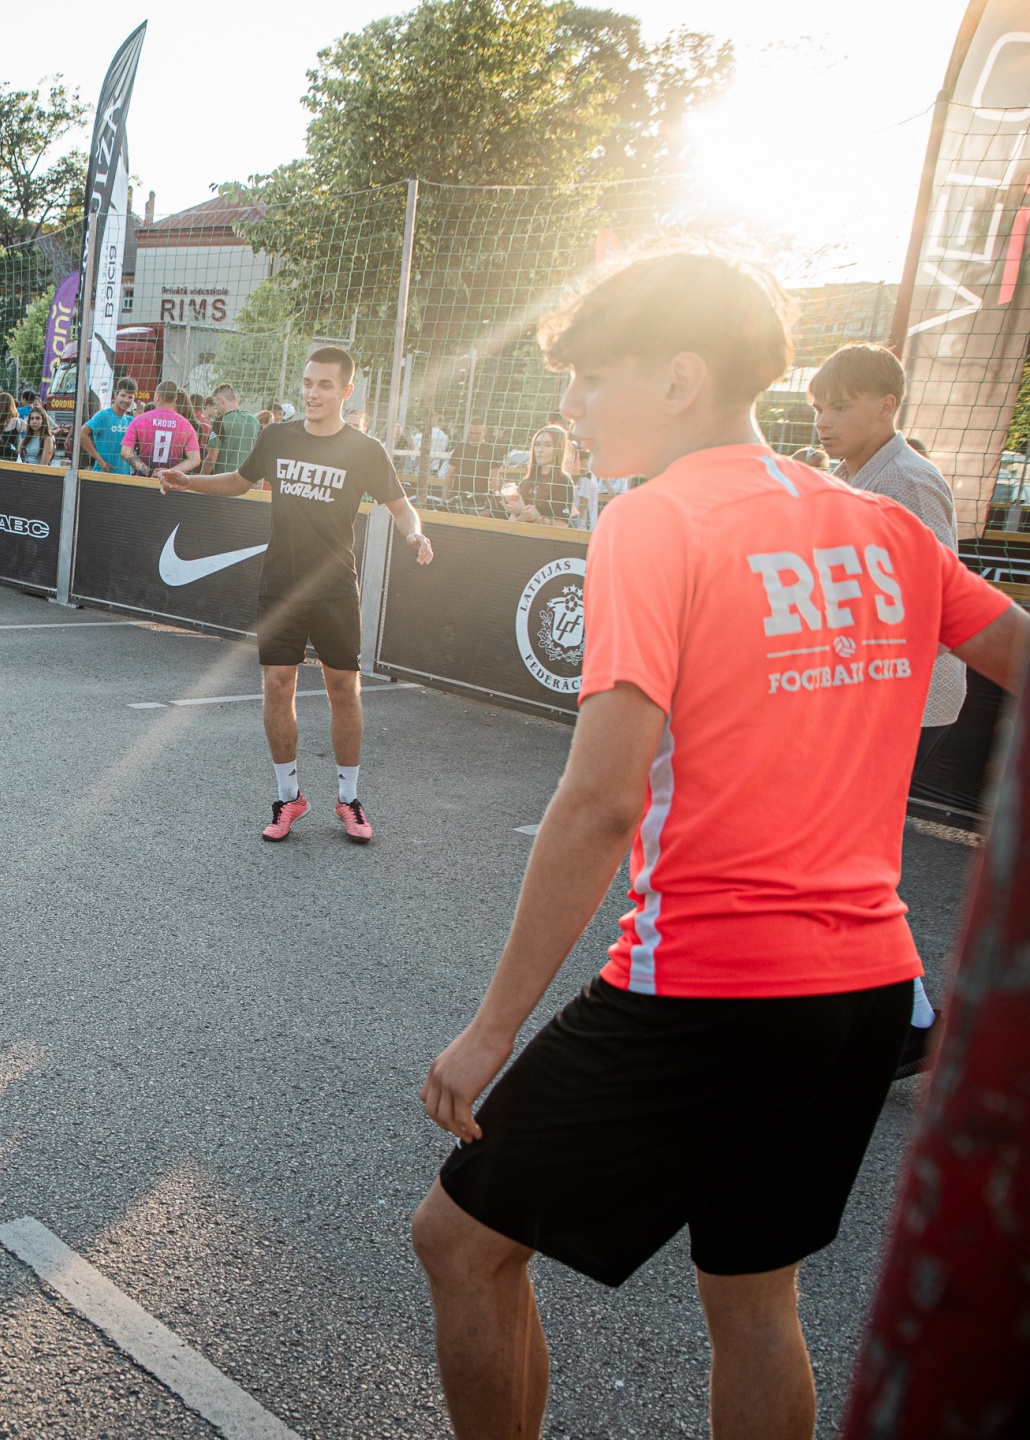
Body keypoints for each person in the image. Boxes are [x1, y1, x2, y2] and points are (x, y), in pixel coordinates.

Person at [409, 252, 1029, 1440]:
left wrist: (490, 1029)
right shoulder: (881, 525)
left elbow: (599, 802)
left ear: (679, 379)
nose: (571, 405)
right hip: (864, 995)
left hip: (709, 990)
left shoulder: (653, 521)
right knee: (752, 1304)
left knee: (458, 1243)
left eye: (592, 377)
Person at [157, 346, 435, 843]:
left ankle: (348, 799)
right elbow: (239, 482)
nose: (312, 393)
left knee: (343, 690)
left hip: (334, 588)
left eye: (325, 385)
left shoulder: (365, 450)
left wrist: (414, 533)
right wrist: (187, 481)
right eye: (307, 383)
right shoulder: (277, 436)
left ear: (346, 391)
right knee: (277, 685)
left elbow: (400, 506)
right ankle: (289, 798)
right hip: (280, 585)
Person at [811, 341, 963, 1079]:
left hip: (908, 701)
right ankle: (892, 1012)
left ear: (885, 406)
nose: (823, 421)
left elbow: (940, 598)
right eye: (818, 407)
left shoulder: (908, 481)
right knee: (843, 851)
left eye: (839, 407)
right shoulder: (849, 475)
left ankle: (912, 1019)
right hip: (870, 694)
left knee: (850, 855)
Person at [120, 380, 201, 477]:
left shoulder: (140, 420)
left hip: (144, 480)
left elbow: (125, 452)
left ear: (157, 397)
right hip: (170, 482)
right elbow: (195, 459)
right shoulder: (185, 425)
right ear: (175, 399)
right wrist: (169, 472)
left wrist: (148, 471)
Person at [80, 379, 138, 473]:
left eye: (130, 397)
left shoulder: (131, 421)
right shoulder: (103, 416)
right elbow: (81, 434)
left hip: (124, 477)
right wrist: (100, 461)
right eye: (123, 395)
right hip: (103, 476)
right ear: (115, 395)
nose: (126, 400)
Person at [201, 385, 258, 477]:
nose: (216, 408)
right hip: (247, 479)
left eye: (215, 403)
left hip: (224, 478)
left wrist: (201, 477)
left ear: (221, 400)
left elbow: (211, 459)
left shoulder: (220, 422)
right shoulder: (254, 421)